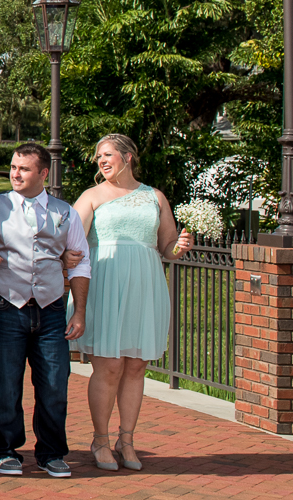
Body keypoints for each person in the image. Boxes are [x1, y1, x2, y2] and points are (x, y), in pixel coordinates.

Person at [0, 143, 91, 477]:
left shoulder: (65, 212)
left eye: (24, 169)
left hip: (51, 309)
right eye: (14, 167)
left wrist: (79, 312)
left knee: (55, 384)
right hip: (6, 307)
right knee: (4, 384)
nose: (15, 174)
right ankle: (5, 450)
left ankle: (51, 453)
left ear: (43, 173)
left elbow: (81, 260)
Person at [70, 134, 193, 472]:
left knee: (136, 365)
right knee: (109, 365)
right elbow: (72, 244)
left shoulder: (155, 197)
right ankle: (100, 440)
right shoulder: (91, 197)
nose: (101, 161)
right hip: (106, 283)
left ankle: (127, 439)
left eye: (107, 155)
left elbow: (166, 246)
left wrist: (178, 246)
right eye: (98, 157)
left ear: (128, 157)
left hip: (145, 283)